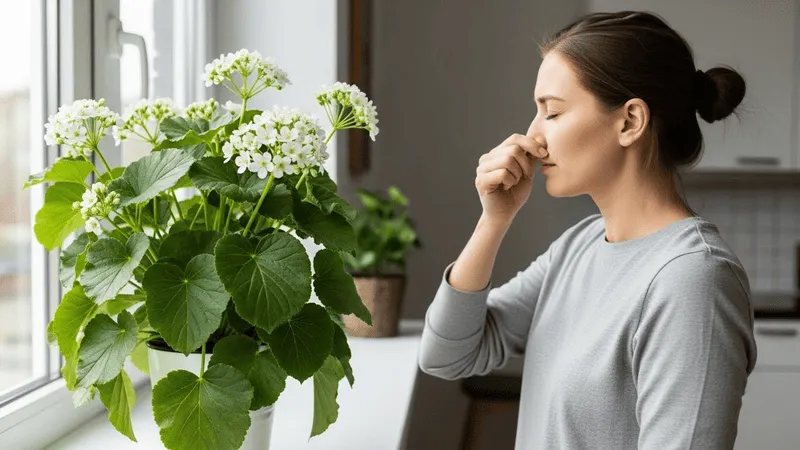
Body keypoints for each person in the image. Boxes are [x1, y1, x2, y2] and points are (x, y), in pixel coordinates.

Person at [418, 10, 758, 450]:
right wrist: (494, 220)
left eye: (552, 112)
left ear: (630, 121)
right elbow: (446, 356)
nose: (532, 137)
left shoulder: (693, 280)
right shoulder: (578, 246)